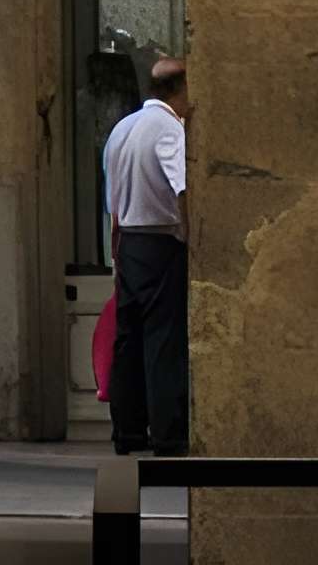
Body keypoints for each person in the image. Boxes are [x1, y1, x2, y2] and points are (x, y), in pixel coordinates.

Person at [102, 54, 192, 456]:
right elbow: (182, 185)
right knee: (163, 339)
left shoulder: (123, 127)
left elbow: (112, 197)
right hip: (161, 241)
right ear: (181, 89)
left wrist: (116, 245)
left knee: (128, 338)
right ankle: (169, 434)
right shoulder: (169, 128)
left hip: (128, 241)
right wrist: (189, 234)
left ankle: (128, 431)